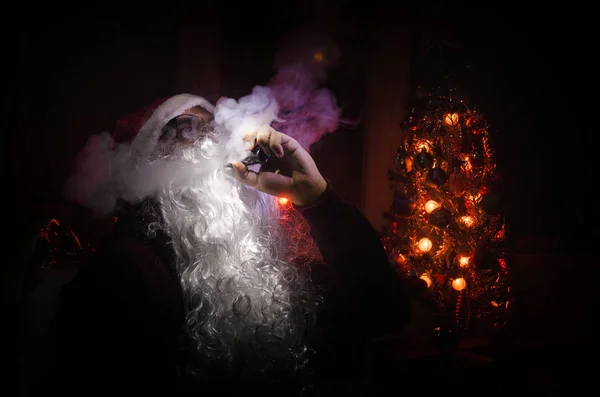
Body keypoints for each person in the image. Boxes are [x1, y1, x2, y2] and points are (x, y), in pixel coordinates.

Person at [53, 94, 411, 396]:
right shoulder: (124, 273)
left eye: (216, 127)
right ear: (153, 169)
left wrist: (318, 198)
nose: (212, 141)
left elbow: (383, 312)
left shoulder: (272, 255)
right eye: (186, 130)